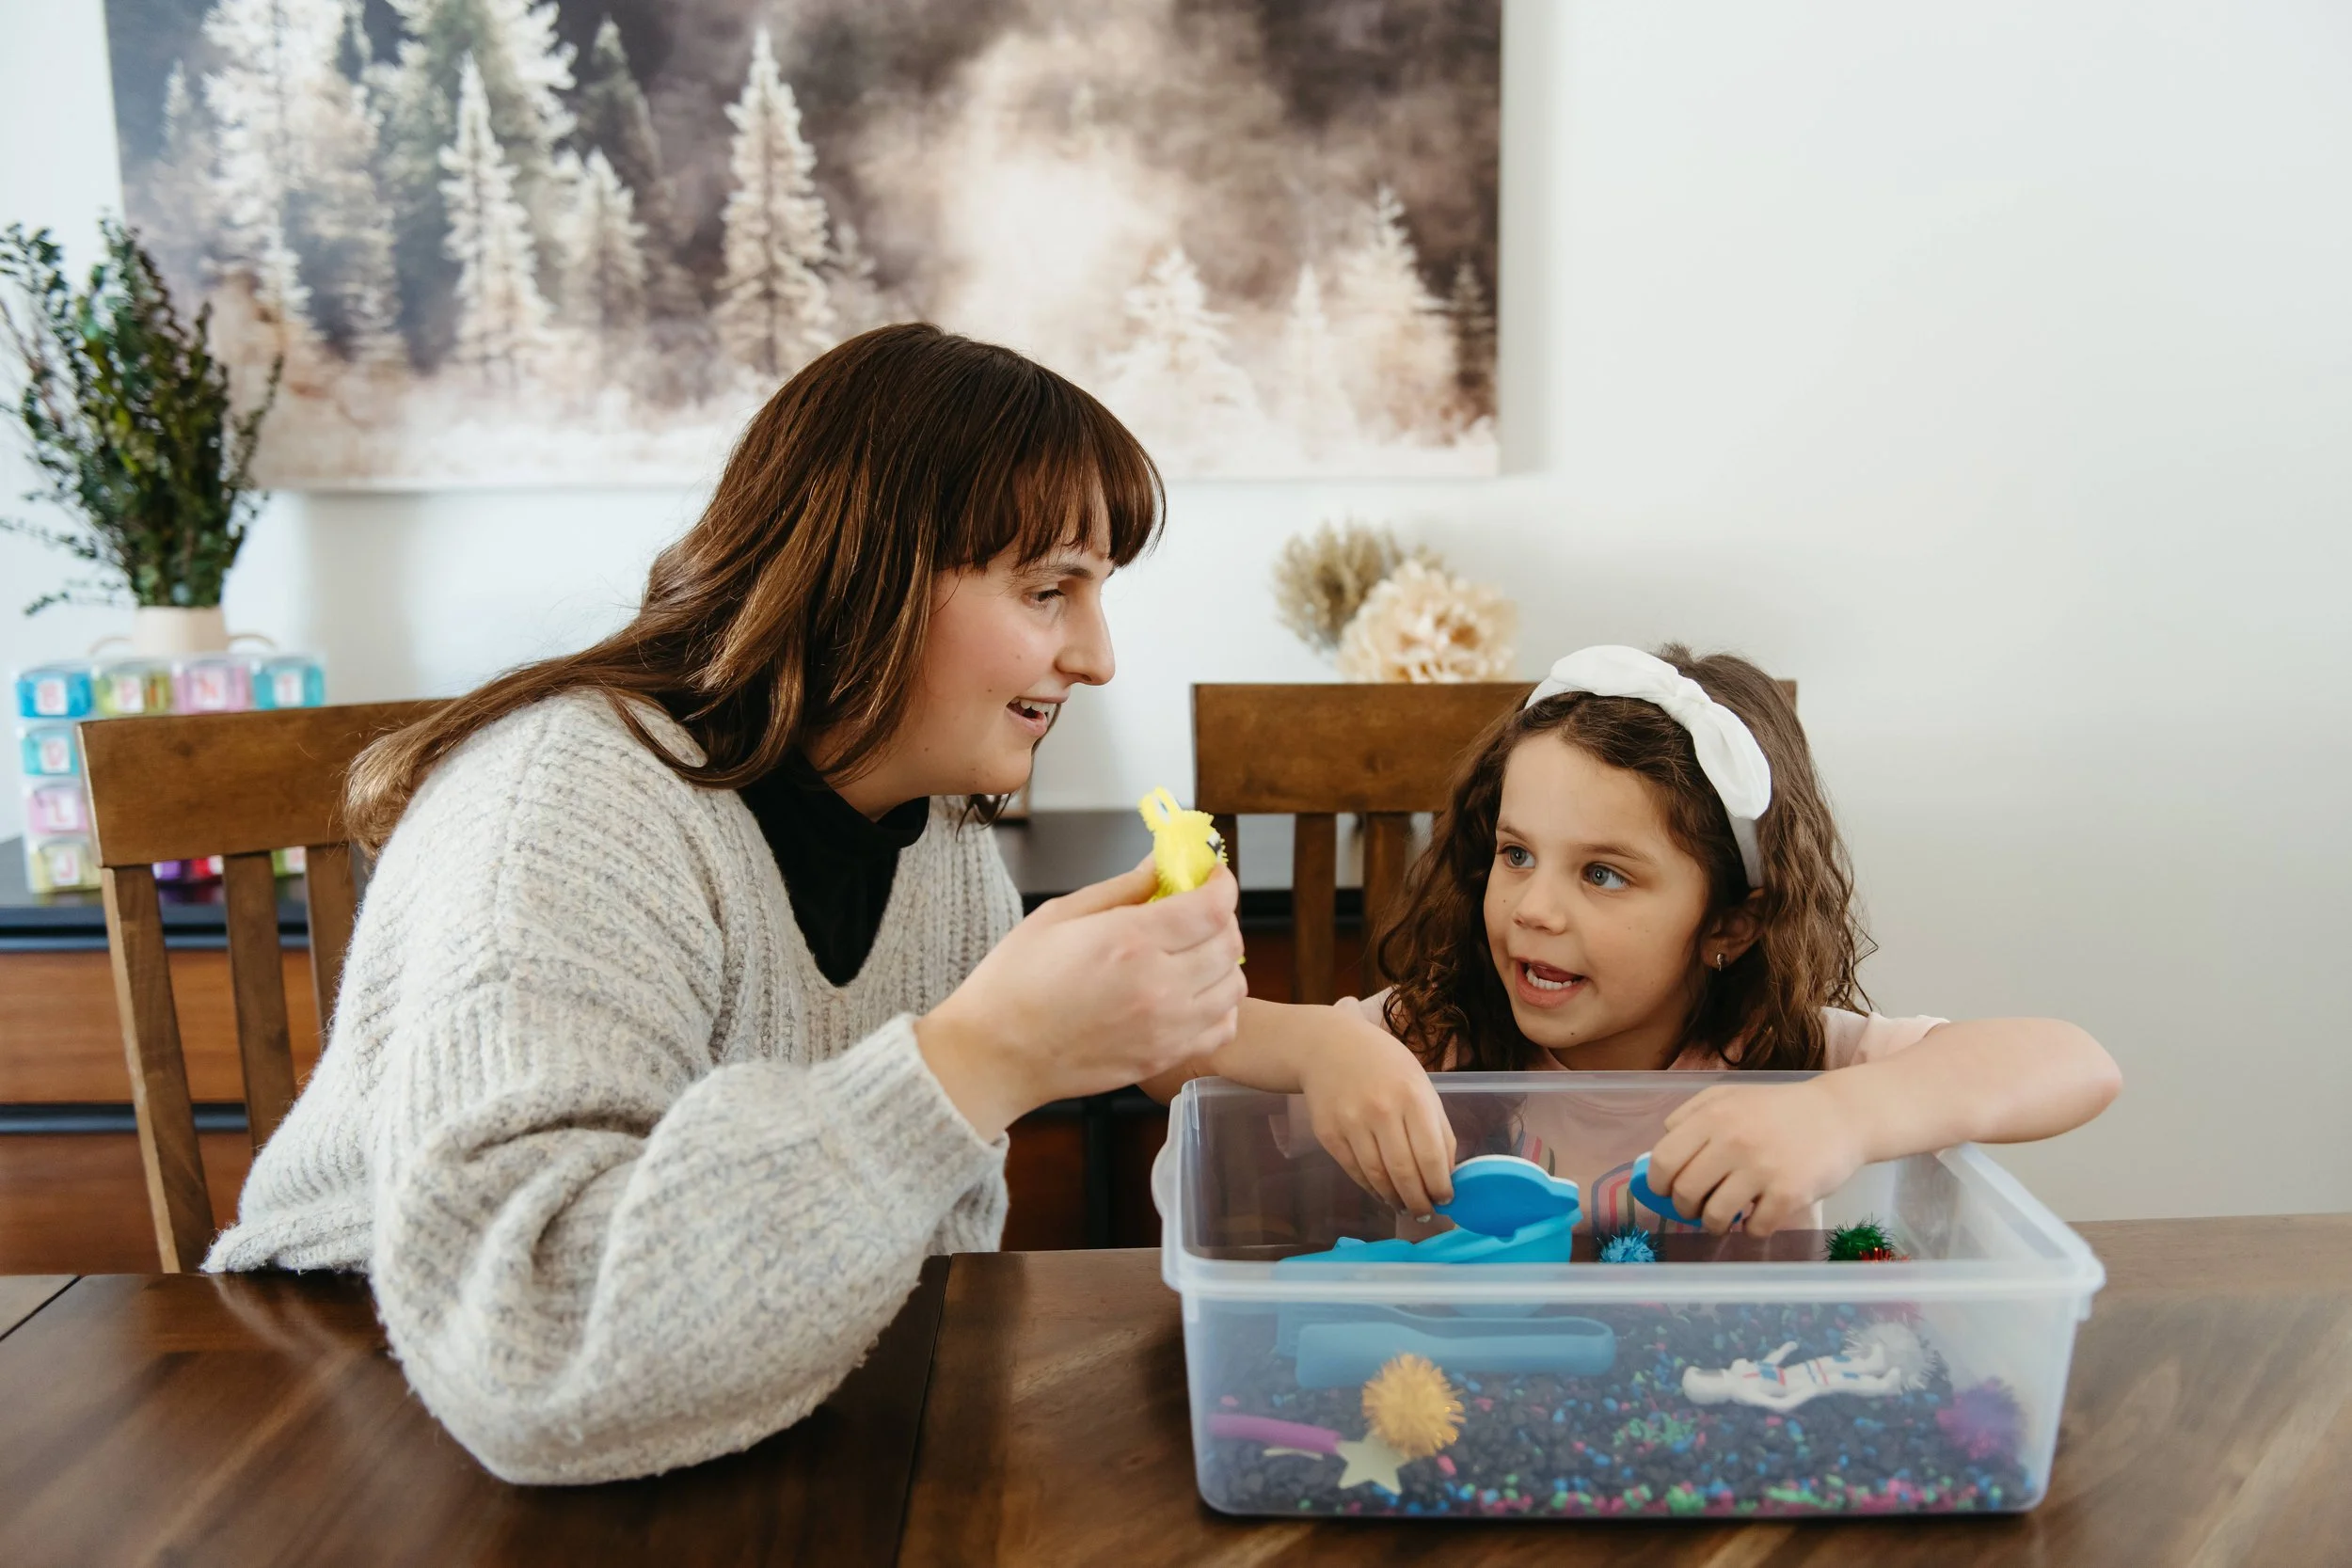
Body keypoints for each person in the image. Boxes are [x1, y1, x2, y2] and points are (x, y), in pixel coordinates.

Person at [207, 325, 1247, 1484]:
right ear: (866, 573)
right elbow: (532, 1343)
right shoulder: (563, 806)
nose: (1098, 657)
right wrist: (983, 1054)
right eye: (1049, 589)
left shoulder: (941, 844)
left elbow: (911, 1252)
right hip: (364, 1413)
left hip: (720, 1418)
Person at [1148, 643, 2120, 1233]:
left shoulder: (1786, 1058)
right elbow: (1164, 1047)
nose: (1533, 906)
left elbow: (2076, 1062)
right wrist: (1323, 1046)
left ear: (1730, 923)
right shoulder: (1434, 1038)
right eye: (1516, 853)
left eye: (1602, 872)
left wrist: (1843, 1117)